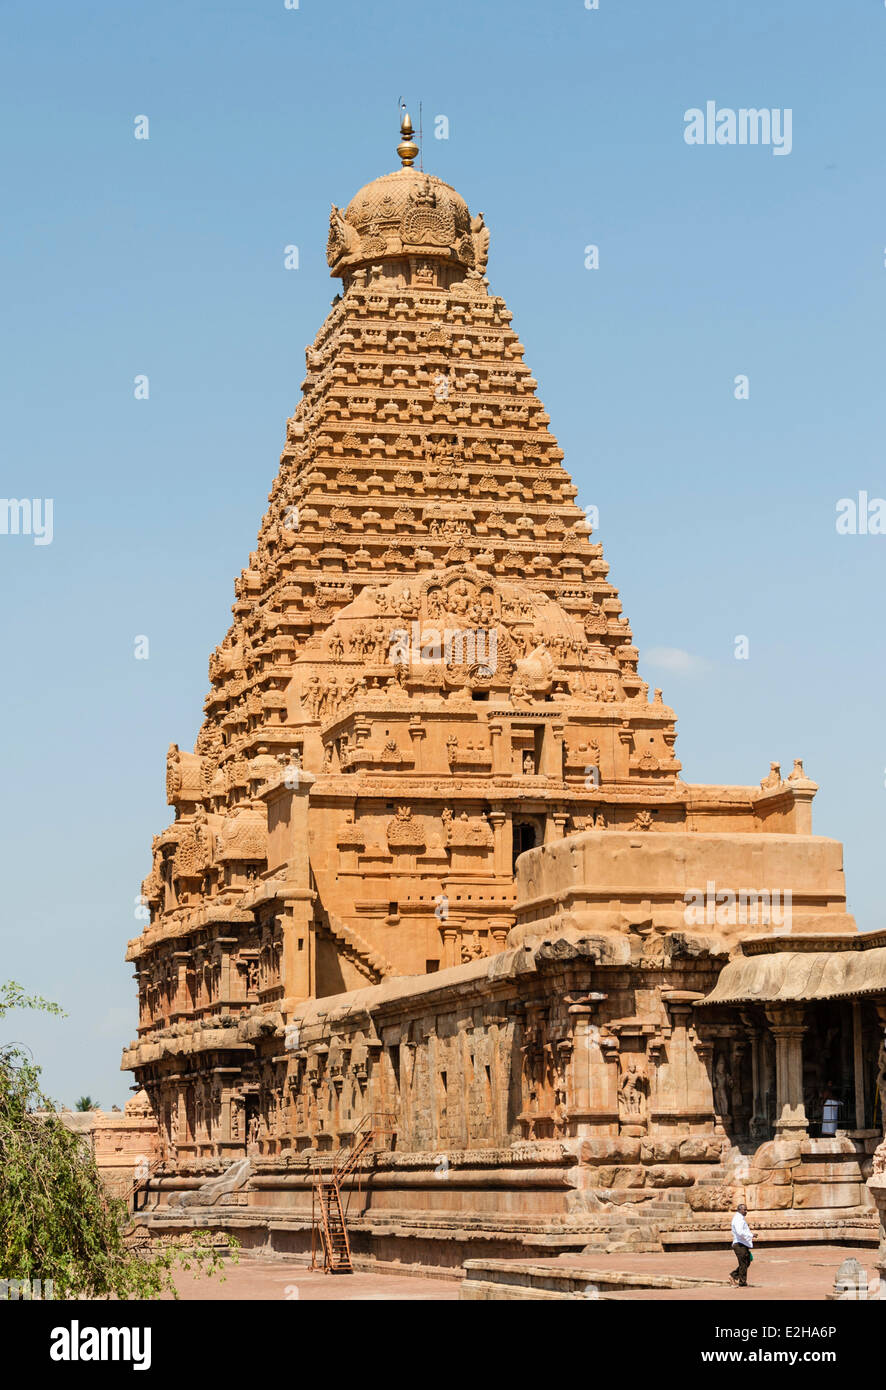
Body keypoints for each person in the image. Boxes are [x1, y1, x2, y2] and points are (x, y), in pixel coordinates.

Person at [729, 1203, 754, 1287]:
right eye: (744, 1210)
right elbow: (740, 1232)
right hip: (739, 1244)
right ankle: (736, 1278)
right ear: (739, 1210)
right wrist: (751, 1235)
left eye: (746, 1210)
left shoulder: (740, 1218)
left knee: (746, 1262)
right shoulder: (738, 1219)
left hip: (742, 1243)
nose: (746, 1211)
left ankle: (740, 1280)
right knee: (743, 1263)